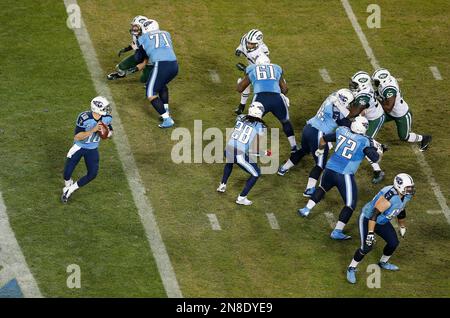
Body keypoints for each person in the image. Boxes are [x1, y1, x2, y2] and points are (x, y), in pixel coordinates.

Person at [298, 116, 383, 240]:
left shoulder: (341, 130)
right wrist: (380, 151)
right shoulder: (365, 141)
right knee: (350, 204)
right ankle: (337, 231)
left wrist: (320, 151)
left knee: (322, 188)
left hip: (329, 169)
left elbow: (323, 139)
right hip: (344, 175)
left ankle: (306, 209)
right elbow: (375, 158)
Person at [278, 89, 356, 198]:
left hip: (308, 128)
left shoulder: (332, 96)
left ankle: (283, 168)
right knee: (320, 164)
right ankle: (309, 189)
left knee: (304, 150)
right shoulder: (337, 111)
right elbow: (346, 124)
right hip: (318, 134)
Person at [346, 173, 415, 284]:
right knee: (367, 247)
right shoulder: (389, 196)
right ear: (399, 186)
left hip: (382, 221)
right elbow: (374, 215)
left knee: (393, 243)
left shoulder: (406, 195)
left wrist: (402, 225)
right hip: (368, 219)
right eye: (408, 188)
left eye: (411, 187)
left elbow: (401, 209)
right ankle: (351, 268)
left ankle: (383, 262)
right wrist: (370, 233)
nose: (410, 190)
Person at [237, 55, 297, 153]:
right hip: (277, 99)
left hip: (260, 99)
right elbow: (285, 90)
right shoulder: (277, 68)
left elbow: (240, 89)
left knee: (251, 122)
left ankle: (244, 145)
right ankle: (294, 147)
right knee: (285, 122)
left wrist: (243, 80)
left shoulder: (252, 69)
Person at [62, 96, 113, 203]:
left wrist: (107, 133)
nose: (107, 110)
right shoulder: (84, 117)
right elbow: (77, 137)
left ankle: (70, 190)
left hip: (92, 149)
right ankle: (68, 183)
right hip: (79, 147)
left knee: (92, 174)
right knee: (66, 174)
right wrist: (93, 130)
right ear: (96, 108)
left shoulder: (107, 118)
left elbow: (110, 131)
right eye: (105, 108)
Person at [217, 102, 267, 206]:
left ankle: (222, 185)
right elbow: (255, 150)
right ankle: (241, 198)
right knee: (256, 173)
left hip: (228, 149)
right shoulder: (261, 126)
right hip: (239, 154)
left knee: (229, 162)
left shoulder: (240, 117)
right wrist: (264, 153)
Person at [372, 68, 431, 151]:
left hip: (401, 114)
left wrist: (376, 101)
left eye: (377, 81)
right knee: (374, 119)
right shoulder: (387, 81)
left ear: (383, 81)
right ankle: (371, 143)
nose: (375, 83)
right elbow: (380, 92)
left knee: (404, 137)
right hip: (391, 112)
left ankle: (424, 138)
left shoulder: (389, 89)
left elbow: (388, 108)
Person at [135, 19, 178, 128]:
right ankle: (166, 110)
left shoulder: (143, 38)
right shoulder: (166, 33)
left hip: (161, 65)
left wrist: (141, 57)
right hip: (174, 65)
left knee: (150, 93)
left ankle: (167, 119)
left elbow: (138, 57)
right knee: (161, 85)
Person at [349, 71, 386, 183]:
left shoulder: (364, 95)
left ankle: (378, 171)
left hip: (374, 119)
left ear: (362, 84)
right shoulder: (364, 90)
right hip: (367, 116)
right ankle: (379, 146)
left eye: (355, 84)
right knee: (361, 139)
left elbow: (354, 112)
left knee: (363, 145)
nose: (352, 86)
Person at [107, 16, 153, 83]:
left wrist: (128, 72)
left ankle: (156, 74)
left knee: (144, 80)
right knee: (120, 68)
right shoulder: (139, 35)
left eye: (136, 26)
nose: (133, 28)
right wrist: (126, 49)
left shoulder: (149, 42)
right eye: (133, 26)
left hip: (152, 61)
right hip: (142, 54)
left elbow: (145, 62)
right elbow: (136, 44)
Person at [234, 29, 270, 115]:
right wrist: (239, 50)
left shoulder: (263, 55)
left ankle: (256, 113)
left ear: (258, 44)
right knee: (243, 84)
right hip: (251, 66)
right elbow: (241, 46)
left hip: (260, 72)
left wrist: (245, 69)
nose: (248, 44)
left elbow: (259, 71)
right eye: (248, 42)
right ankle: (241, 106)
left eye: (251, 44)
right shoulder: (244, 39)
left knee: (258, 93)